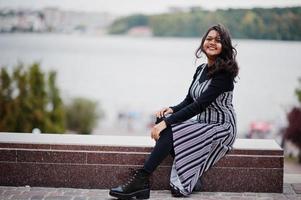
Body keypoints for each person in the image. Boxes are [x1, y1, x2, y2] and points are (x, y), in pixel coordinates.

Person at [109, 24, 239, 199]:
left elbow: (199, 106)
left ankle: (142, 179)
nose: (212, 43)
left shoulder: (224, 73)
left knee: (168, 127)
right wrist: (171, 110)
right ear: (202, 43)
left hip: (221, 127)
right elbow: (189, 101)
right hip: (204, 123)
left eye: (218, 40)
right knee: (162, 118)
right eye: (209, 39)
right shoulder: (201, 69)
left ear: (224, 45)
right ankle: (189, 174)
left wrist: (167, 123)